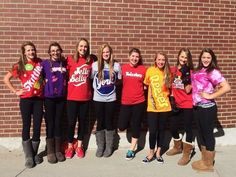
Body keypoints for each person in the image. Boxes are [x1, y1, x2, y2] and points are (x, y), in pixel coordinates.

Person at [3, 41, 44, 168]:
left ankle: (34, 153)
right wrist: (16, 91)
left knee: (37, 126)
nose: (31, 52)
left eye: (33, 49)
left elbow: (44, 77)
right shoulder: (19, 65)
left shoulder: (40, 63)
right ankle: (28, 156)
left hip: (38, 100)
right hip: (25, 100)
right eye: (28, 50)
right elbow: (6, 79)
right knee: (26, 126)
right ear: (24, 52)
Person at [191, 48, 230, 172]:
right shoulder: (199, 70)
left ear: (212, 59)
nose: (206, 59)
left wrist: (210, 96)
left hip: (207, 108)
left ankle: (208, 164)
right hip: (197, 108)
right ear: (200, 58)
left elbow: (226, 87)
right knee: (201, 133)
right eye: (204, 57)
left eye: (208, 57)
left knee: (207, 134)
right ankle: (204, 160)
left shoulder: (213, 72)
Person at [91, 43, 121, 158]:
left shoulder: (117, 66)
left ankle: (109, 147)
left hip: (111, 98)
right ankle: (100, 147)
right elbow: (91, 79)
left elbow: (119, 81)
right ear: (100, 53)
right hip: (98, 98)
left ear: (111, 53)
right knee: (100, 121)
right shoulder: (94, 66)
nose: (105, 54)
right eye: (103, 52)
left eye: (107, 52)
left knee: (109, 121)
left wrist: (111, 83)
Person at [64, 38, 93, 159]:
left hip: (85, 98)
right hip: (71, 97)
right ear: (77, 47)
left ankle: (79, 146)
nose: (83, 48)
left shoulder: (91, 60)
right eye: (81, 46)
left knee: (82, 123)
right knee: (71, 123)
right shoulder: (69, 59)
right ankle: (70, 146)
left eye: (85, 46)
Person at [166, 48, 194, 166]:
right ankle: (178, 147)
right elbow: (168, 84)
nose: (183, 59)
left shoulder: (191, 72)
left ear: (188, 59)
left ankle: (187, 153)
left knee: (188, 128)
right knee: (172, 126)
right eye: (182, 57)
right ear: (178, 57)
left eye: (186, 58)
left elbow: (188, 90)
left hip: (187, 102)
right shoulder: (172, 70)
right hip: (176, 103)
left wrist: (186, 75)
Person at [142, 52, 172, 164]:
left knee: (161, 131)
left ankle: (158, 153)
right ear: (155, 60)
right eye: (159, 59)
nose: (161, 62)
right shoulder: (150, 70)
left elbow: (171, 89)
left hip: (165, 107)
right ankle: (151, 153)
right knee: (153, 131)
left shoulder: (168, 73)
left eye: (163, 60)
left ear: (165, 61)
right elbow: (146, 85)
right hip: (152, 108)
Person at [118, 48, 146, 160]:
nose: (135, 58)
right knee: (121, 125)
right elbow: (118, 81)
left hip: (139, 102)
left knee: (136, 126)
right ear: (129, 56)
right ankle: (135, 122)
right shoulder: (123, 68)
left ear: (139, 58)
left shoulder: (143, 69)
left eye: (137, 57)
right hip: (125, 101)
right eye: (133, 56)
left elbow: (146, 84)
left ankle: (132, 149)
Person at [41, 42, 67, 163]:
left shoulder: (64, 63)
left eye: (57, 50)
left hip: (61, 98)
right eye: (52, 50)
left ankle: (58, 150)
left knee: (59, 123)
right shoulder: (44, 64)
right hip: (49, 98)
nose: (55, 52)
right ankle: (50, 151)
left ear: (60, 51)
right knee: (50, 123)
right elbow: (36, 77)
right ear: (49, 52)